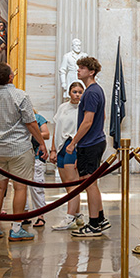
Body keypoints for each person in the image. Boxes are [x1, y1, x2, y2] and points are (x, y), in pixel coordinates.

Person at [0, 63, 48, 241]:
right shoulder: (20, 95)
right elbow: (30, 122)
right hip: (18, 147)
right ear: (11, 77)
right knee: (20, 187)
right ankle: (17, 227)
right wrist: (41, 144)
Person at [69, 57, 109, 237]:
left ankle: (93, 224)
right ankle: (99, 218)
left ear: (91, 72)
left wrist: (73, 142)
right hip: (93, 141)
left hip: (90, 142)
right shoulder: (93, 91)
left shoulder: (92, 92)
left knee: (89, 183)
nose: (79, 71)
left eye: (82, 68)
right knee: (91, 182)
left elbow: (87, 121)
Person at [50, 82, 86, 231]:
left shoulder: (83, 110)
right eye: (74, 92)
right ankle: (77, 215)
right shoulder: (62, 107)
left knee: (73, 184)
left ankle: (69, 217)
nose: (77, 94)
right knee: (67, 185)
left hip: (73, 147)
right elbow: (56, 129)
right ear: (69, 93)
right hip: (60, 147)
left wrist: (80, 154)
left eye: (80, 92)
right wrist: (53, 149)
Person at [25, 110, 51, 228]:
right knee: (20, 187)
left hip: (36, 156)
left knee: (37, 186)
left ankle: (40, 216)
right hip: (21, 156)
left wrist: (33, 134)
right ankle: (24, 214)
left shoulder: (38, 118)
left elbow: (46, 134)